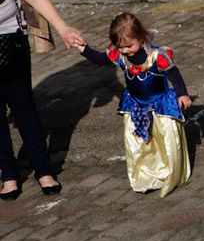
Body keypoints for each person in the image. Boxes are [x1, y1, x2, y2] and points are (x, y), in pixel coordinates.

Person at [0, 0, 84, 201]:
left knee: (23, 106)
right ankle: (8, 175)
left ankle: (43, 170)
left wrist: (63, 28)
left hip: (8, 40)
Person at [76, 12, 191, 197]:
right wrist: (83, 48)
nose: (124, 51)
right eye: (120, 47)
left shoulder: (156, 55)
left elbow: (174, 74)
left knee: (166, 142)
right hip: (136, 105)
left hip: (160, 105)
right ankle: (146, 175)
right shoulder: (120, 55)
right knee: (139, 144)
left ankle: (170, 173)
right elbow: (99, 59)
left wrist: (182, 94)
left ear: (141, 37)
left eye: (129, 46)